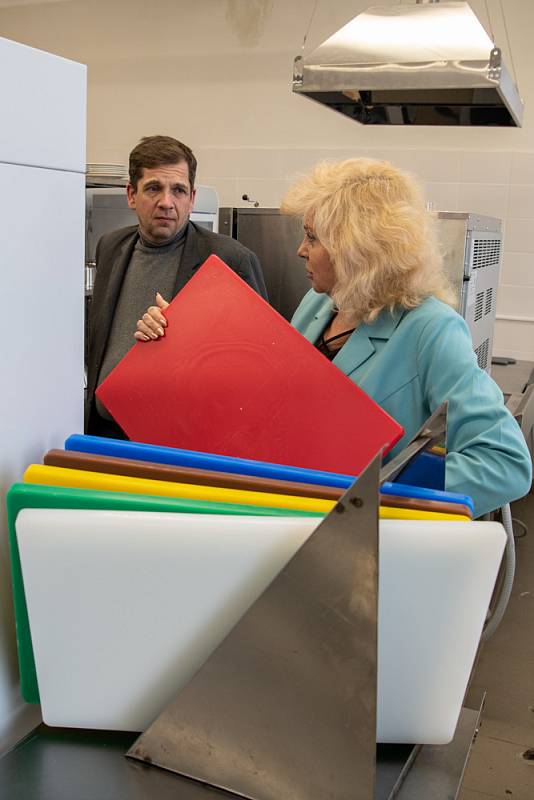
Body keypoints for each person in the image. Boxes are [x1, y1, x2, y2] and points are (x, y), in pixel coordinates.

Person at [136, 157, 532, 518]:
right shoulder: (319, 303)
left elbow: (505, 463)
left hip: (362, 534)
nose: (300, 250)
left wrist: (374, 495)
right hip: (290, 511)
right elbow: (277, 400)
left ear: (357, 248)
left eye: (313, 237)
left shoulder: (431, 328)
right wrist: (183, 335)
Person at [86, 135, 268, 438]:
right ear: (131, 195)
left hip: (181, 440)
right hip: (106, 435)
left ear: (192, 198)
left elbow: (259, 367)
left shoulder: (230, 260)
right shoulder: (111, 246)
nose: (166, 202)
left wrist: (186, 337)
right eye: (153, 188)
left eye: (179, 190)